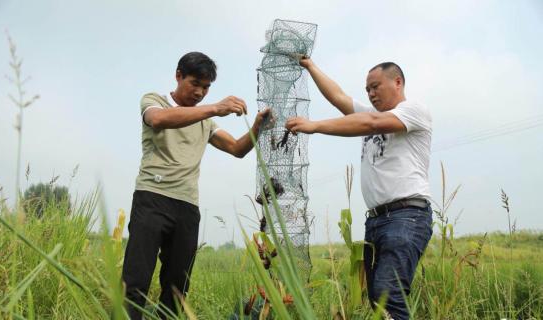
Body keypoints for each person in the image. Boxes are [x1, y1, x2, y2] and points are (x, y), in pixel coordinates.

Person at [122, 51, 270, 319]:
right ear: (178, 76)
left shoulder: (205, 120)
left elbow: (237, 148)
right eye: (195, 84)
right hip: (151, 199)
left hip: (187, 207)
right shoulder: (155, 101)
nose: (200, 93)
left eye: (206, 87)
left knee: (177, 287)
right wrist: (215, 107)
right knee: (135, 282)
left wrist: (257, 128)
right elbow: (157, 120)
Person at [286, 58, 433, 320]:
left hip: (406, 216)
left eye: (376, 86)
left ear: (397, 82)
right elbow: (339, 97)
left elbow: (371, 123)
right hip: (377, 221)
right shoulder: (370, 114)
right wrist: (310, 66)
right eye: (367, 90)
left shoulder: (413, 111)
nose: (371, 93)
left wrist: (314, 126)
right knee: (378, 299)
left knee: (389, 294)